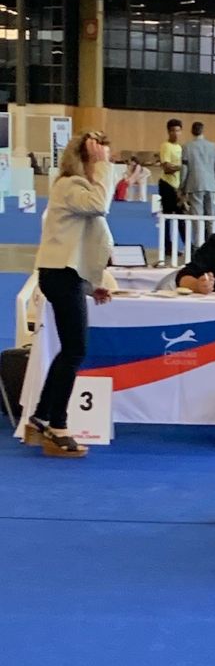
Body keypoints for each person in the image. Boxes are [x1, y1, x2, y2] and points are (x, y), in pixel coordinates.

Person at [24, 131, 114, 458]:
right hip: (59, 276)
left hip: (66, 276)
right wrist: (101, 165)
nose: (108, 162)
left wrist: (91, 284)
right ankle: (57, 426)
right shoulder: (69, 186)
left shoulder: (78, 189)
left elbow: (80, 244)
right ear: (86, 157)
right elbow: (99, 206)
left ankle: (41, 415)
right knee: (76, 350)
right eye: (102, 156)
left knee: (71, 349)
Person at [180, 122, 215, 239]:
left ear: (191, 131)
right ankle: (212, 243)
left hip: (195, 185)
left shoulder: (186, 147)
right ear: (203, 130)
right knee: (211, 217)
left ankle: (198, 245)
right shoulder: (212, 146)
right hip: (210, 185)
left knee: (197, 218)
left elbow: (184, 169)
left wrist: (182, 187)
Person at [158, 118, 184, 262]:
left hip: (178, 186)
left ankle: (187, 245)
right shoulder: (166, 146)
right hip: (167, 185)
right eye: (173, 130)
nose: (175, 133)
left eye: (178, 130)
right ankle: (168, 246)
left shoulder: (180, 148)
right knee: (168, 217)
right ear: (168, 132)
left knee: (181, 217)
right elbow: (167, 167)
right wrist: (181, 167)